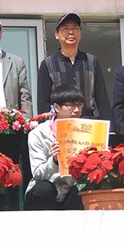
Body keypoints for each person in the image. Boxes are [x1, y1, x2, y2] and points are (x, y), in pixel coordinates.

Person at [36, 13, 110, 120]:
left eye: (75, 28)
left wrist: (109, 126)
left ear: (80, 34)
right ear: (56, 34)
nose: (71, 32)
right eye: (65, 28)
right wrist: (44, 126)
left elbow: (102, 98)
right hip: (60, 123)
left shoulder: (92, 61)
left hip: (87, 120)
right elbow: (43, 102)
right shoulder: (48, 64)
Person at [25, 83, 85, 211]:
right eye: (71, 105)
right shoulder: (38, 133)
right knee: (43, 189)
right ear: (57, 107)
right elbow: (38, 174)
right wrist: (54, 160)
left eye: (80, 105)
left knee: (83, 188)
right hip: (46, 189)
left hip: (72, 188)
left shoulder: (86, 131)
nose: (76, 110)